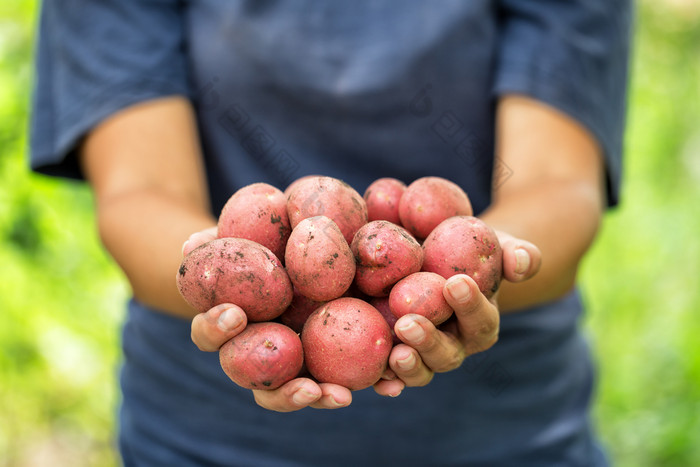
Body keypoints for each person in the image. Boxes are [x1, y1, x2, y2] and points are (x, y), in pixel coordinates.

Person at [30, 1, 631, 465]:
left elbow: (556, 183)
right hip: (211, 439)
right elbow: (139, 193)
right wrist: (220, 274)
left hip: (504, 434)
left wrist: (479, 272)